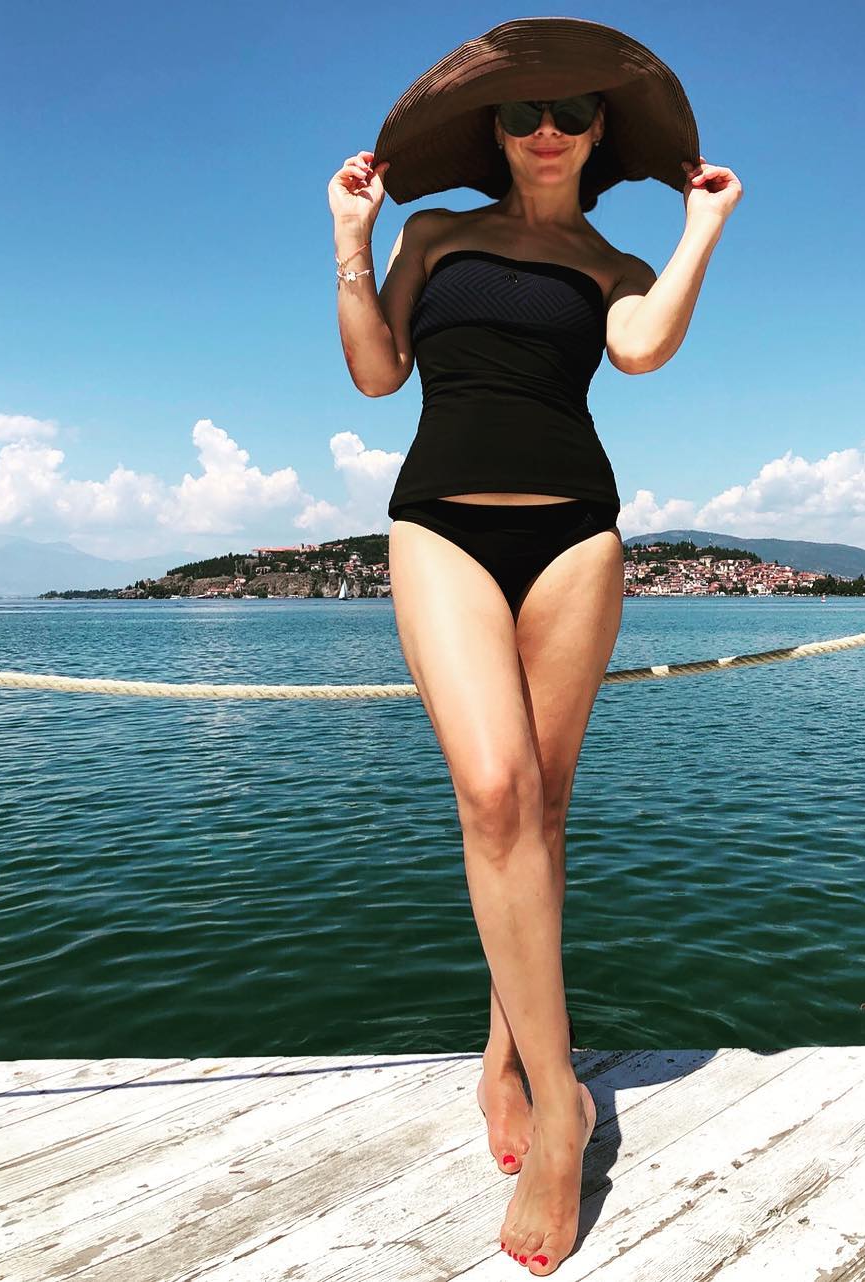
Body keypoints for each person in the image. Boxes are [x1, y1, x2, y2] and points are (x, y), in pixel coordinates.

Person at [327, 27, 741, 1274]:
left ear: (600, 131)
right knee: (496, 790)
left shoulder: (611, 262)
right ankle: (563, 1105)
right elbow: (376, 374)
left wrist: (704, 227)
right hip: (439, 527)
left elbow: (643, 346)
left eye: (569, 111)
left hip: (576, 539)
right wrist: (351, 245)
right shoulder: (434, 234)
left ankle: (505, 1054)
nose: (546, 129)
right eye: (521, 113)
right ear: (494, 132)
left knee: (544, 811)